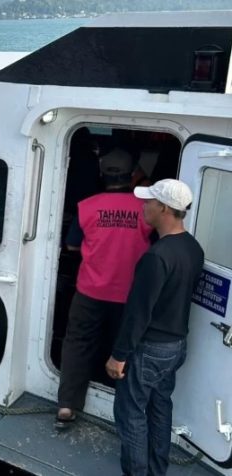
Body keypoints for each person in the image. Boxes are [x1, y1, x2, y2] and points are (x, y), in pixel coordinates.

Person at [106, 179, 204, 476]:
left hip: (149, 349)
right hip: (175, 347)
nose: (143, 205)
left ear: (163, 208)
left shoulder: (156, 256)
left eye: (148, 201)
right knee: (160, 407)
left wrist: (118, 355)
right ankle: (156, 470)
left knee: (130, 413)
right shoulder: (192, 247)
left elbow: (139, 313)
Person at [55, 148, 153, 429]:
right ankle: (123, 411)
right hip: (129, 296)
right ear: (133, 174)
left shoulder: (87, 205)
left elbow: (72, 245)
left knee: (77, 344)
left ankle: (66, 406)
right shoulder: (145, 210)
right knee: (123, 349)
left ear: (101, 173)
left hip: (89, 292)